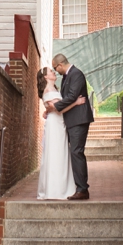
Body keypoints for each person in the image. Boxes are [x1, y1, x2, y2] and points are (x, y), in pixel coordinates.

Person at [52, 53, 93, 201]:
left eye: (55, 68)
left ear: (60, 64)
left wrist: (54, 106)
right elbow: (69, 98)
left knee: (76, 152)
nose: (56, 71)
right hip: (72, 120)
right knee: (75, 152)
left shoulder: (76, 74)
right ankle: (79, 187)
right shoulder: (67, 76)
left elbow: (71, 96)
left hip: (79, 120)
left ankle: (82, 189)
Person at [35, 67, 76, 200]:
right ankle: (55, 190)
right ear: (46, 77)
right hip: (55, 125)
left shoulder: (54, 90)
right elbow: (60, 110)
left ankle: (60, 187)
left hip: (59, 123)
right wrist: (76, 102)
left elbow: (55, 108)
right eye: (51, 72)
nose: (54, 72)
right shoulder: (48, 91)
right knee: (55, 154)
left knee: (61, 153)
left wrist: (47, 111)